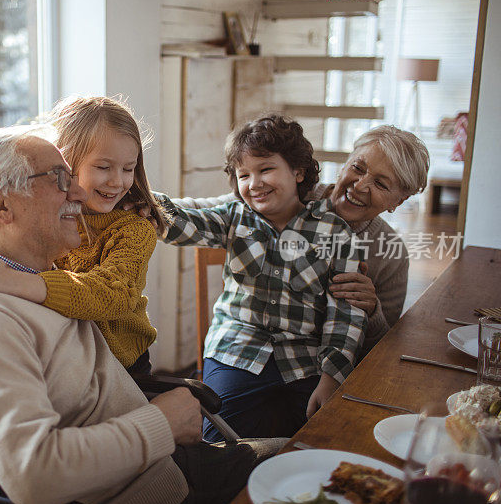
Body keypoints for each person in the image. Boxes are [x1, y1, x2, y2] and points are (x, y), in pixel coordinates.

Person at [0, 124, 285, 504]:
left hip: (161, 468)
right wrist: (162, 423)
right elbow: (35, 475)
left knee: (300, 454)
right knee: (303, 464)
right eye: (60, 178)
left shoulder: (34, 274)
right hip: (148, 492)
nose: (78, 191)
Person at [155, 115, 367, 441]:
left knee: (323, 439)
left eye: (266, 169)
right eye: (244, 175)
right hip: (236, 350)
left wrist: (331, 376)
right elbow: (181, 223)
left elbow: (346, 315)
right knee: (220, 443)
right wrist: (136, 194)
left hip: (306, 359)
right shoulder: (233, 217)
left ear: (298, 171)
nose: (254, 183)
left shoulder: (334, 231)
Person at [0, 96, 168, 374]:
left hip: (122, 363)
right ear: (67, 165)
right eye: (103, 167)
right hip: (73, 352)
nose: (117, 181)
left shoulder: (132, 229)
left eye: (128, 169)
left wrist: (18, 281)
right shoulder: (51, 215)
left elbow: (113, 293)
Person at [171, 125, 430, 358]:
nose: (360, 186)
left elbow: (384, 349)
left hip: (317, 369)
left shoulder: (390, 253)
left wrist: (372, 310)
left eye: (380, 184)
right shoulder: (290, 194)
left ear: (398, 201)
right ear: (344, 164)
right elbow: (199, 211)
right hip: (250, 350)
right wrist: (140, 201)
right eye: (357, 168)